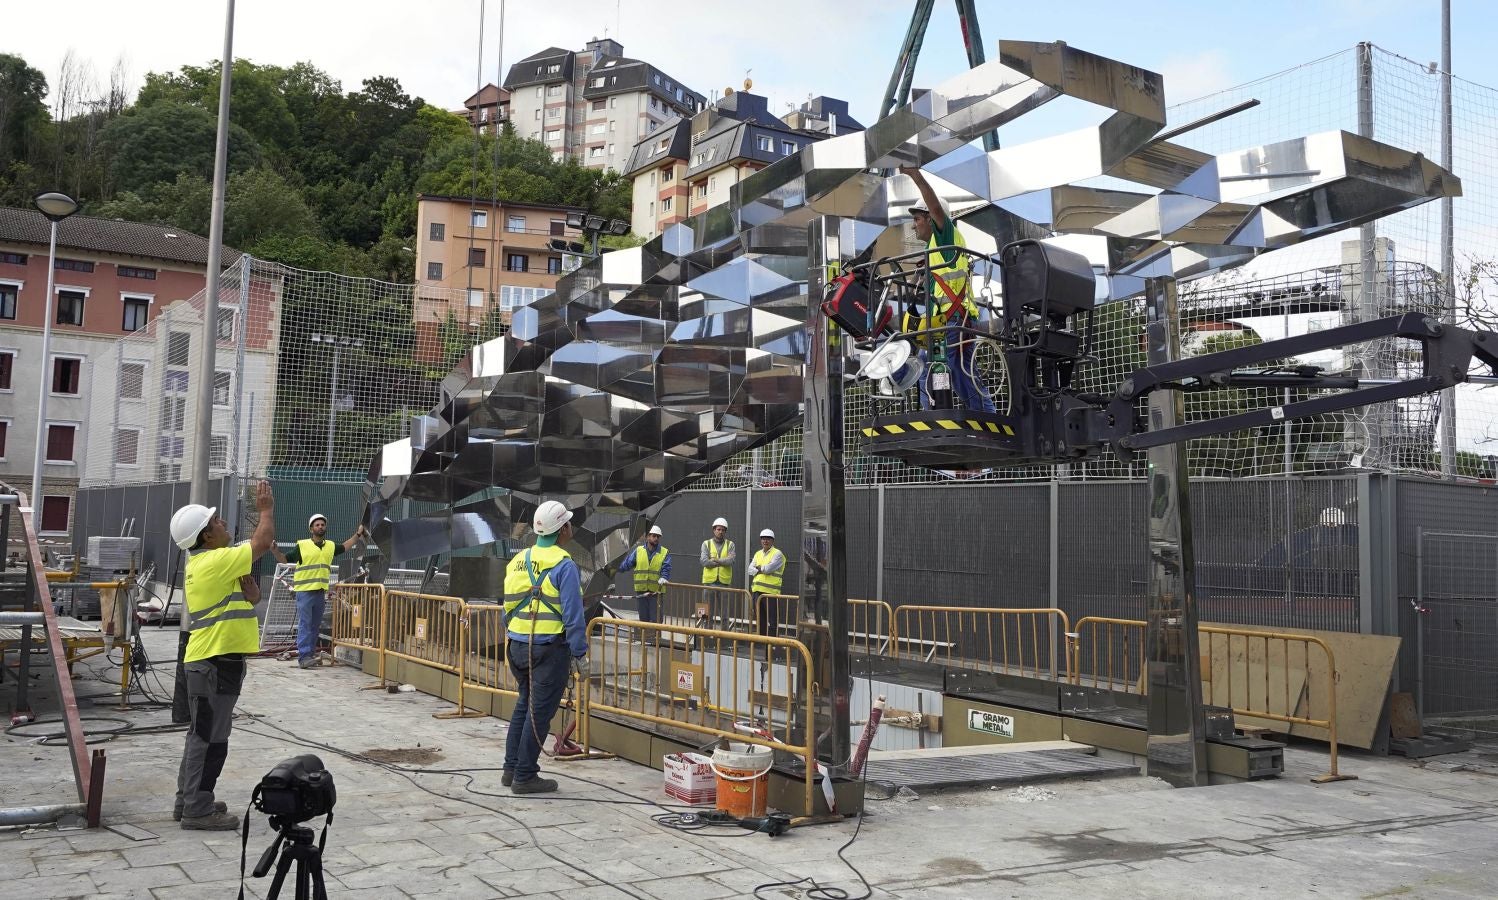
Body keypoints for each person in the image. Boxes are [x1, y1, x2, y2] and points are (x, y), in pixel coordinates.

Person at [168, 480, 276, 830]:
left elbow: (243, 600)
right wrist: (265, 510)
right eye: (216, 523)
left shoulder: (212, 562)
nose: (223, 524)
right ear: (207, 537)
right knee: (210, 737)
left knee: (202, 733)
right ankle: (197, 809)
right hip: (214, 661)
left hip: (216, 659)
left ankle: (189, 798)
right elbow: (261, 542)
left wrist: (254, 597)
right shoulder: (213, 562)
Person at [501, 500, 589, 794]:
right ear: (563, 529)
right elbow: (574, 617)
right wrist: (580, 654)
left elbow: (507, 607)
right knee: (538, 712)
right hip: (548, 650)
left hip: (517, 647)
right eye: (568, 522)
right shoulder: (564, 566)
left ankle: (510, 768)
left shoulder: (518, 560)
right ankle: (525, 775)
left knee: (524, 705)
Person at [899, 165, 994, 413]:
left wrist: (915, 176)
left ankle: (936, 419)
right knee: (957, 373)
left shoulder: (945, 236)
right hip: (948, 320)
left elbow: (936, 208)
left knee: (936, 368)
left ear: (931, 218)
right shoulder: (935, 248)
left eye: (917, 219)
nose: (913, 226)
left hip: (953, 318)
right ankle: (983, 416)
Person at [274, 514, 365, 669]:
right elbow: (284, 559)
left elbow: (345, 546)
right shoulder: (302, 546)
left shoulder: (329, 546)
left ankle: (309, 655)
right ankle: (304, 657)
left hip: (319, 593)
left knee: (315, 625)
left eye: (322, 524)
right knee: (305, 624)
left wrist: (357, 535)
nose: (320, 527)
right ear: (311, 529)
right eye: (317, 525)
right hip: (304, 592)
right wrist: (275, 551)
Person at [618, 524, 671, 624]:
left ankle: (655, 639)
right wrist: (613, 568)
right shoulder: (638, 551)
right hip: (641, 592)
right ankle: (644, 639)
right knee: (643, 619)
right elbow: (627, 564)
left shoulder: (664, 552)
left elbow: (666, 568)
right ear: (647, 537)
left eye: (658, 536)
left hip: (656, 593)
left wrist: (664, 577)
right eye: (653, 536)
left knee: (656, 620)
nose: (656, 538)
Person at [747, 528, 788, 638]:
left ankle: (771, 644)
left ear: (772, 540)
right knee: (760, 619)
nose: (765, 541)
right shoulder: (757, 554)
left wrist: (758, 568)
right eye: (763, 539)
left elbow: (769, 568)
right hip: (756, 592)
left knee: (771, 620)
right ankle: (762, 642)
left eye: (768, 539)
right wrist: (761, 568)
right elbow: (750, 570)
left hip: (770, 593)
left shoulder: (778, 554)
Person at [700, 517, 737, 619]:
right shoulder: (706, 543)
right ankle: (705, 634)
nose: (720, 532)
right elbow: (703, 561)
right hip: (708, 583)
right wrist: (722, 562)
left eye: (723, 530)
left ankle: (724, 635)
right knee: (705, 613)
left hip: (724, 584)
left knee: (724, 614)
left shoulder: (730, 544)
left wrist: (715, 560)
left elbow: (731, 561)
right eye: (718, 529)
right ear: (714, 530)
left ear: (725, 531)